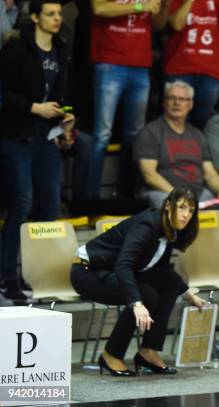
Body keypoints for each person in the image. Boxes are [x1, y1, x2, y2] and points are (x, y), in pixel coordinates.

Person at [70, 186, 206, 376]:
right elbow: (123, 265)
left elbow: (162, 269)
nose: (186, 215)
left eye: (191, 210)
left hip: (113, 270)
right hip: (88, 271)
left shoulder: (171, 228)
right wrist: (136, 303)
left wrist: (187, 293)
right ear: (168, 205)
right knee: (145, 295)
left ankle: (148, 352)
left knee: (170, 286)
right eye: (182, 207)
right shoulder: (147, 225)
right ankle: (111, 355)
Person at [0, 0, 75, 302]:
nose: (57, 19)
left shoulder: (61, 50)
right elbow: (4, 94)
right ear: (34, 17)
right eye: (50, 14)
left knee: (49, 207)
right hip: (16, 135)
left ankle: (38, 273)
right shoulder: (16, 49)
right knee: (21, 203)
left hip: (45, 136)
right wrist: (35, 108)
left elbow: (59, 95)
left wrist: (66, 116)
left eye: (59, 14)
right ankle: (6, 278)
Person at [134, 80, 219, 246]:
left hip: (199, 194)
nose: (176, 103)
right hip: (163, 192)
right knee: (165, 204)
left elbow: (209, 172)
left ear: (190, 104)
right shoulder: (150, 132)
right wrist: (178, 196)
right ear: (164, 102)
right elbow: (149, 175)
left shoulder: (197, 135)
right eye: (172, 98)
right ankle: (177, 257)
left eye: (182, 99)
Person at [89, 0, 168, 196]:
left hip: (140, 66)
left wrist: (165, 5)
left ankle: (127, 196)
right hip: (110, 63)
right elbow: (99, 8)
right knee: (102, 135)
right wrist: (141, 6)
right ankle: (88, 198)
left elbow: (158, 24)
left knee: (135, 136)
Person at [164, 0, 219, 129]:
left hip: (210, 71)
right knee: (175, 121)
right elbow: (176, 24)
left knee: (205, 124)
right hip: (180, 69)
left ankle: (200, 149)